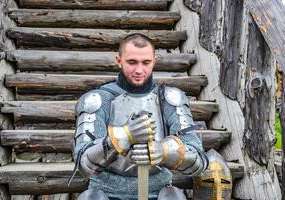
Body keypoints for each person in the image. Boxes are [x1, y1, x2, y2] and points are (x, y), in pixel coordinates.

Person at [72, 33, 210, 200]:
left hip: (158, 190)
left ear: (154, 61)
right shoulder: (98, 100)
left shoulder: (169, 99)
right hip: (106, 191)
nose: (139, 70)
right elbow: (83, 164)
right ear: (119, 61)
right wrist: (123, 136)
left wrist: (166, 150)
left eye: (146, 63)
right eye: (132, 62)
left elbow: (199, 162)